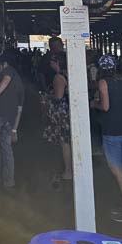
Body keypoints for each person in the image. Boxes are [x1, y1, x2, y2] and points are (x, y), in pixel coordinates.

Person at [90, 54, 122, 222]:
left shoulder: (103, 83)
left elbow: (105, 106)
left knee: (118, 171)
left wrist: (93, 103)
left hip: (111, 131)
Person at [0, 55, 24, 191]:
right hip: (10, 118)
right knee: (5, 149)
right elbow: (20, 109)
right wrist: (15, 129)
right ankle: (8, 181)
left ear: (3, 64)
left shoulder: (8, 71)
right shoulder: (20, 83)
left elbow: (5, 79)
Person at [42, 52, 72, 189]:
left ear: (58, 63)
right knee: (68, 140)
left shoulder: (59, 77)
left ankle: (68, 170)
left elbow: (58, 97)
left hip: (61, 113)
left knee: (64, 142)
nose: (50, 63)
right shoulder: (68, 72)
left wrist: (47, 97)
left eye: (53, 60)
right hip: (69, 111)